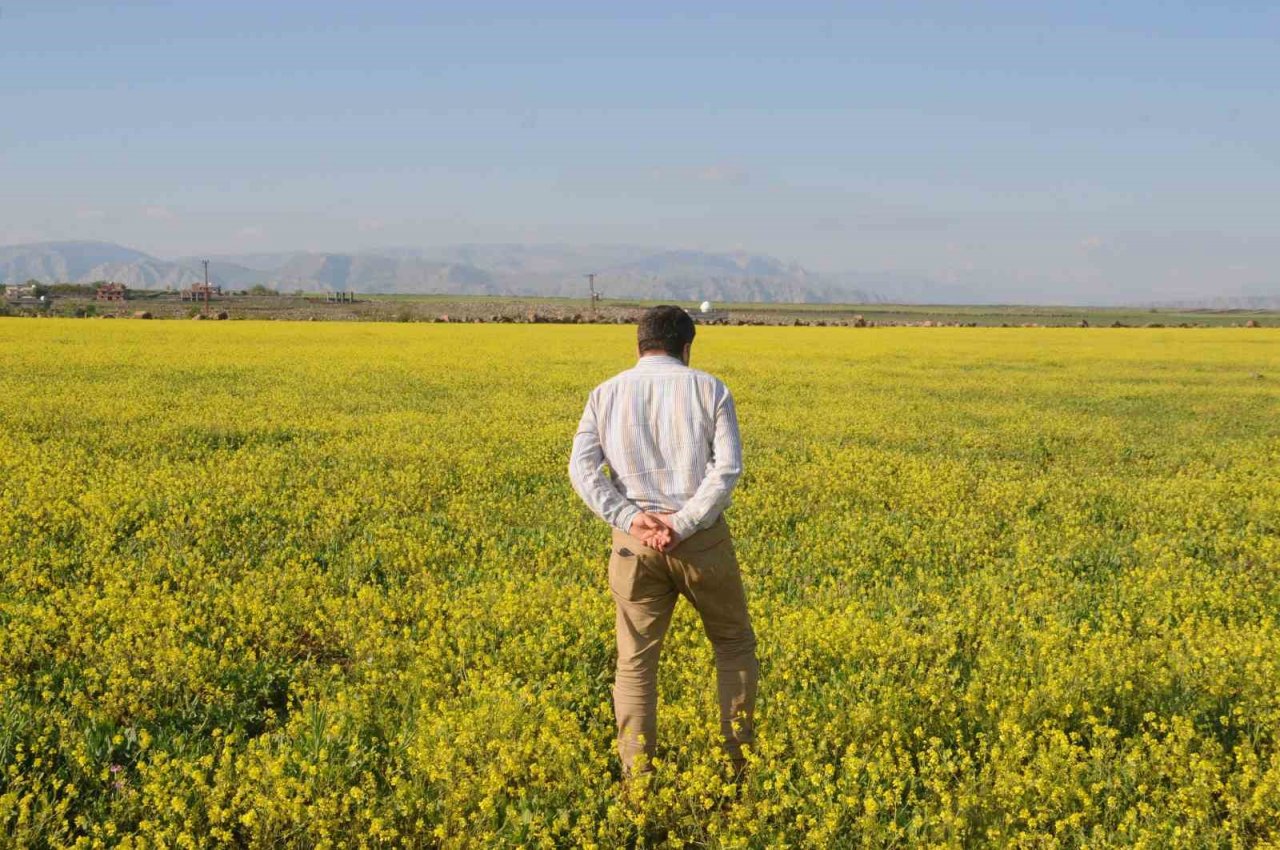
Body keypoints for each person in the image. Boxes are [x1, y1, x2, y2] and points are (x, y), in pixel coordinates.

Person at [568, 305, 759, 780]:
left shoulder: (605, 394)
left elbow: (583, 471)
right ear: (687, 346)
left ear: (639, 345)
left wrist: (633, 521)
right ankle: (735, 768)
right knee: (733, 645)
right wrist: (685, 522)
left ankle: (638, 781)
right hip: (701, 544)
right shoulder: (710, 388)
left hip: (635, 547)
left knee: (635, 665)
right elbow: (727, 469)